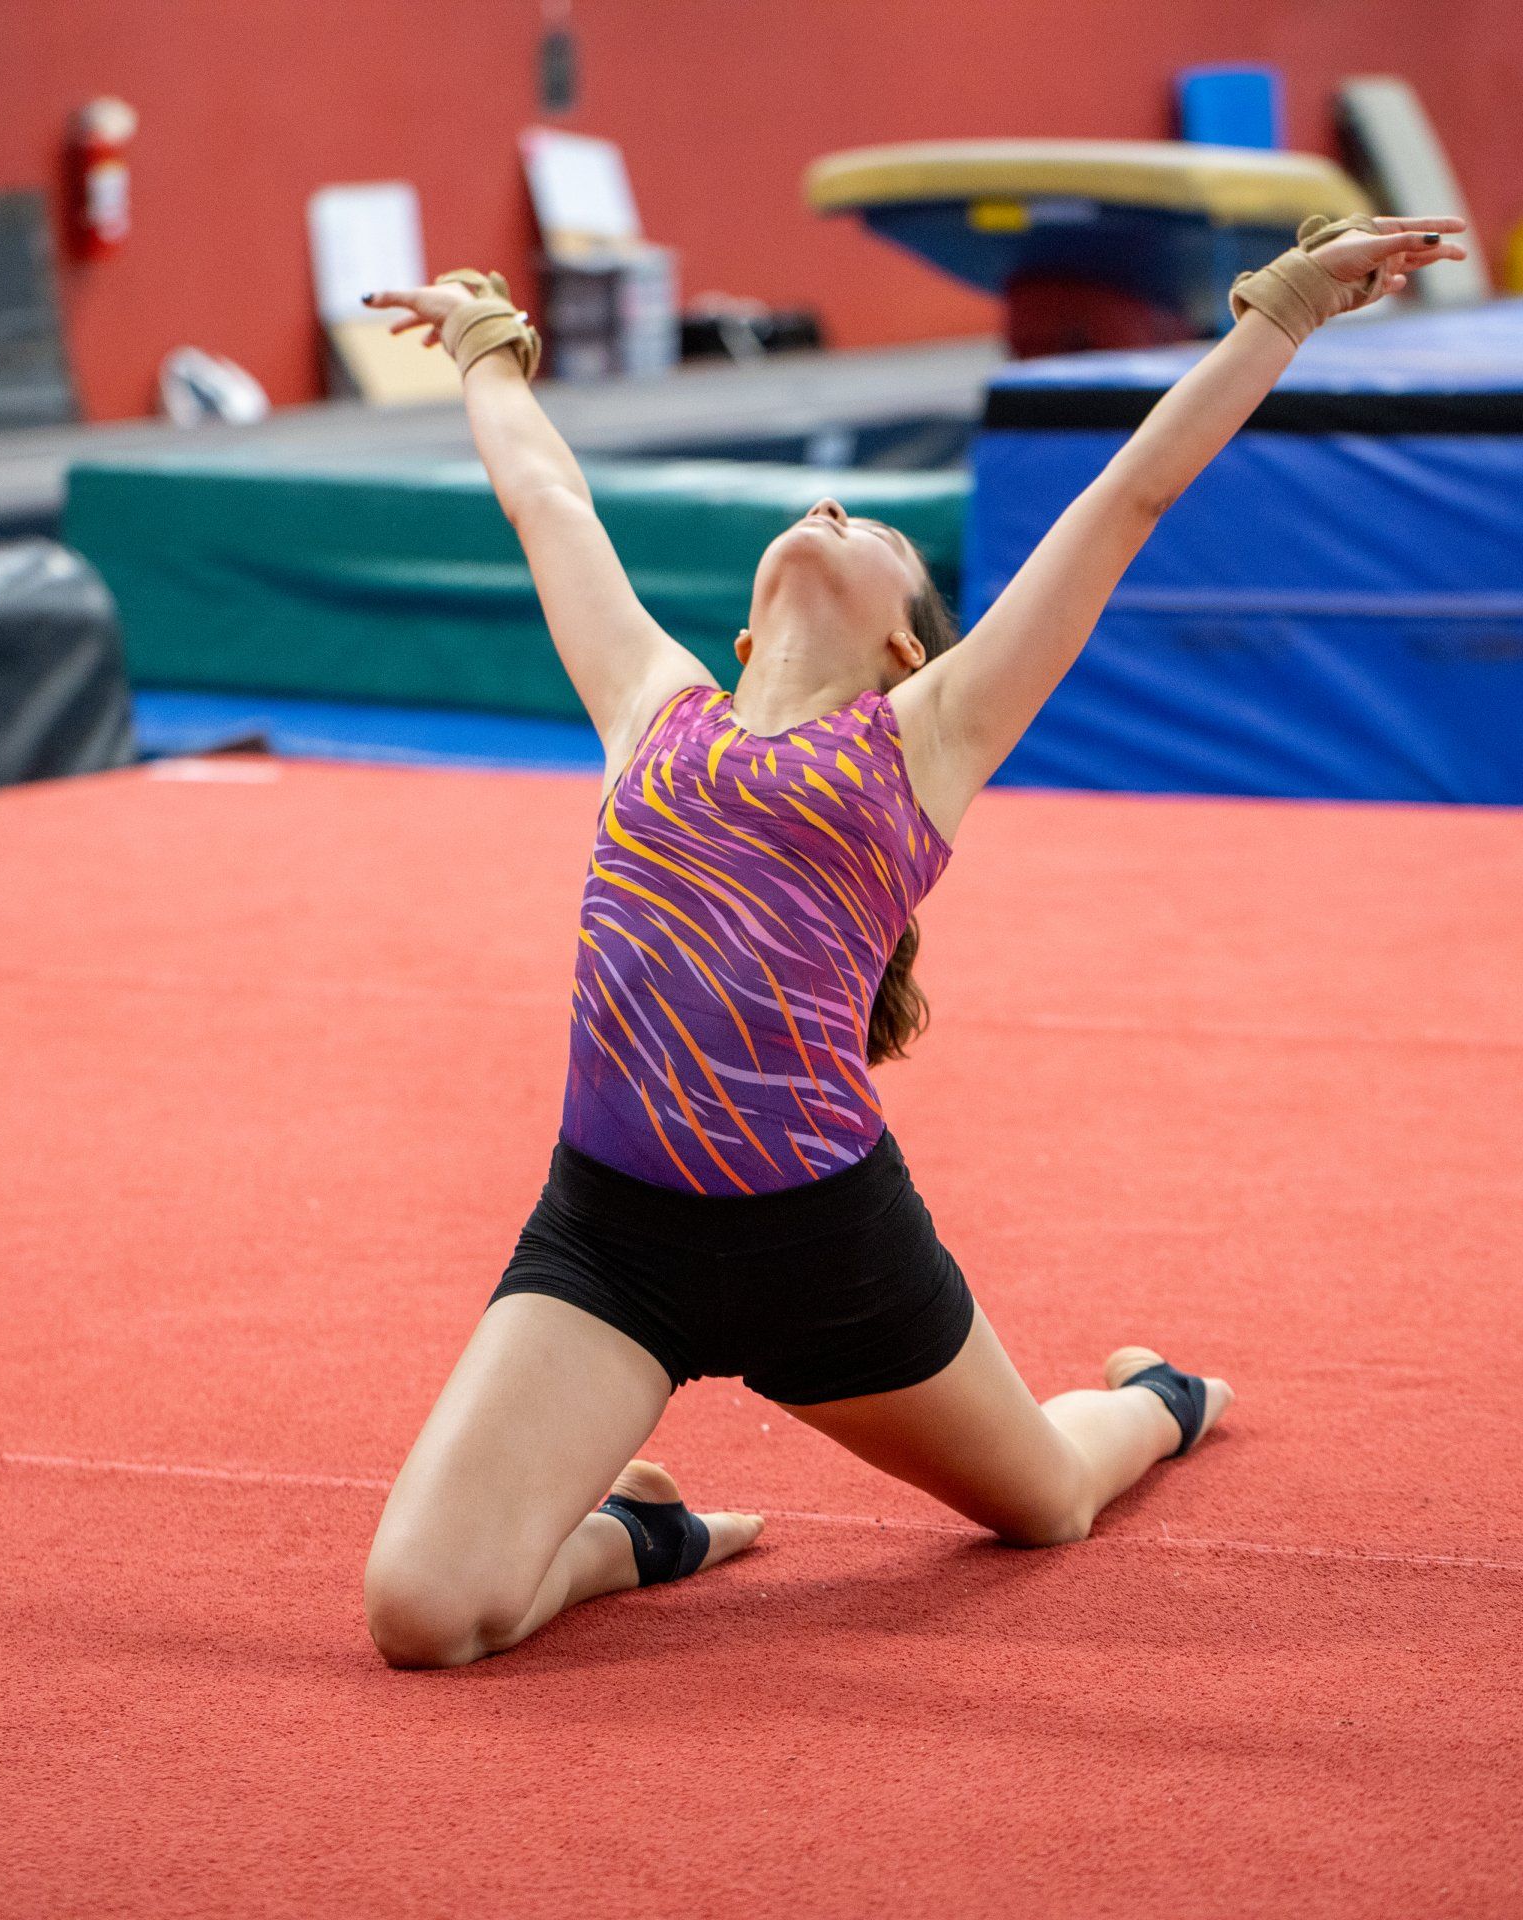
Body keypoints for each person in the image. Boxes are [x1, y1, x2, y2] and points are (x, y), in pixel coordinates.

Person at [358, 219, 1470, 1670]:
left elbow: (1128, 500)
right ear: (743, 640)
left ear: (909, 645)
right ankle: (634, 1537)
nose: (833, 510)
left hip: (830, 1245)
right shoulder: (655, 705)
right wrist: (488, 345)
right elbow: (549, 505)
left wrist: (1287, 310)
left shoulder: (924, 738)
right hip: (611, 1240)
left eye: (877, 533)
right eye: (822, 512)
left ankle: (1162, 1395)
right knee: (427, 1616)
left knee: (1049, 1505)